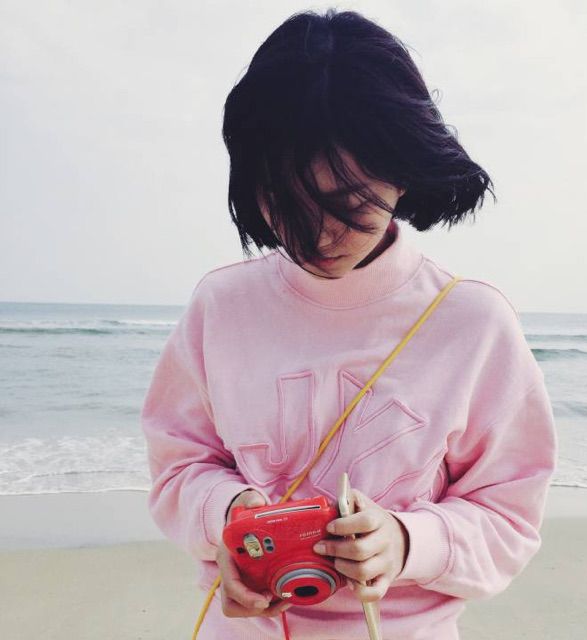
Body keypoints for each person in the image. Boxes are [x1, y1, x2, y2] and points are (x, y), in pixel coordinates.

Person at [140, 8, 557, 640]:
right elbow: (179, 466)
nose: (319, 235)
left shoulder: (473, 323)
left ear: (402, 172)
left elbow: (510, 515)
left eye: (347, 202)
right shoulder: (221, 306)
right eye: (286, 202)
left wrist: (406, 542)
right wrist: (230, 517)